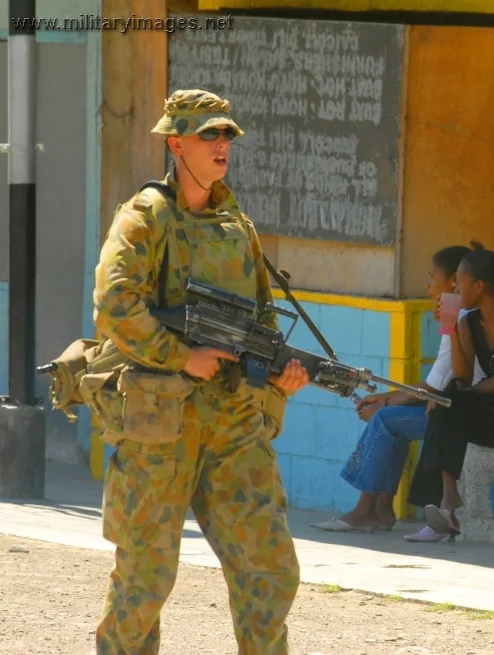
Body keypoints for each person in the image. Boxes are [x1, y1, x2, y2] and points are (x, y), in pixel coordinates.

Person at [90, 89, 309, 654]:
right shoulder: (145, 217)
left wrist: (278, 377)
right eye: (209, 135)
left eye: (227, 136)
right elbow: (113, 305)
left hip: (234, 422)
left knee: (271, 567)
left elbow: (261, 319)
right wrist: (181, 356)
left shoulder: (237, 224)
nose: (221, 146)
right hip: (161, 423)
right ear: (175, 143)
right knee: (145, 581)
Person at [311, 245, 485, 542]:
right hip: (448, 407)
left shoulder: (461, 318)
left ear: (455, 282)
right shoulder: (460, 316)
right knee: (389, 418)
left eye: (433, 277)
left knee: (386, 420)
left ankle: (366, 509)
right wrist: (385, 398)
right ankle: (381, 509)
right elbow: (435, 380)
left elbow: (436, 384)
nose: (428, 285)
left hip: (462, 416)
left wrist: (385, 402)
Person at [410, 241, 494, 536]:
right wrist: (450, 326)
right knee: (446, 405)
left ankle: (444, 506)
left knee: (449, 401)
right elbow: (463, 375)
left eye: (459, 284)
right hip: (488, 413)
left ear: (479, 286)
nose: (455, 291)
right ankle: (446, 507)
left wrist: (451, 397)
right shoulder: (468, 321)